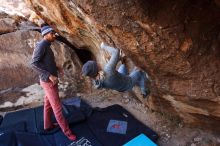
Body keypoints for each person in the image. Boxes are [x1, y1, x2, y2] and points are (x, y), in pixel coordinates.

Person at [31, 25, 76, 141]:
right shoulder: (42, 46)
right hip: (48, 82)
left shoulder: (46, 45)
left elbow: (44, 62)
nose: (54, 35)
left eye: (54, 33)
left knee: (47, 104)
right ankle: (67, 132)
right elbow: (34, 64)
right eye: (52, 33)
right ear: (45, 35)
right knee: (57, 108)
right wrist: (50, 75)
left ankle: (48, 125)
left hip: (48, 81)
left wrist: (56, 67)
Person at [81, 42, 150, 98]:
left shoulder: (96, 81)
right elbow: (116, 52)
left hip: (120, 88)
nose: (97, 63)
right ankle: (144, 91)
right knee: (139, 72)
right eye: (96, 64)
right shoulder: (107, 70)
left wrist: (118, 59)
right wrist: (103, 46)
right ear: (96, 68)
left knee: (123, 66)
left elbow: (109, 72)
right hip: (127, 84)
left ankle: (137, 81)